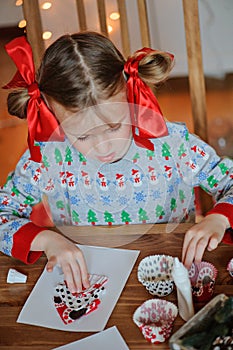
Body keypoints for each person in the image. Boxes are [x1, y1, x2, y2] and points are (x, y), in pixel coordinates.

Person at [1, 32, 232, 293]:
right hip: (90, 277)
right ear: (51, 115)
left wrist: (218, 219)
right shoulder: (47, 155)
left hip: (172, 273)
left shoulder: (171, 143)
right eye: (83, 136)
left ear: (131, 94)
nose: (104, 147)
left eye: (113, 127)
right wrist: (47, 240)